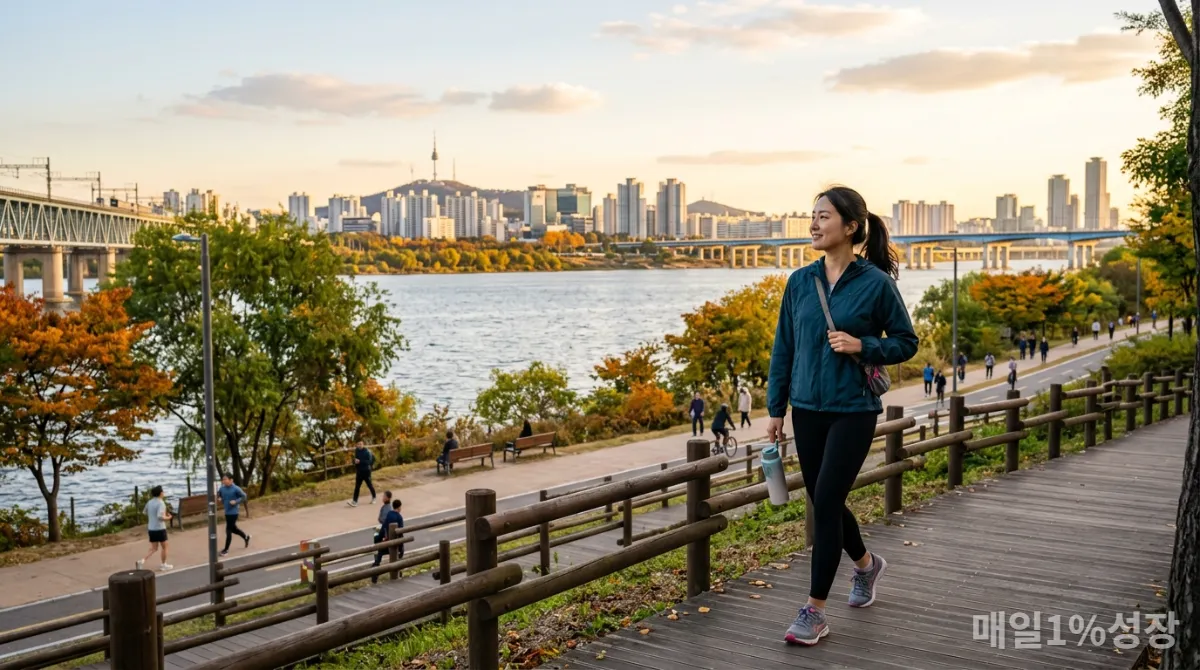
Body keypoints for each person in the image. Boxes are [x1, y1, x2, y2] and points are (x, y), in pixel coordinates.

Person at [765, 186, 918, 646]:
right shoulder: (799, 282)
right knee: (825, 500)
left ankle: (814, 612)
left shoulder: (875, 283)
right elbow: (783, 350)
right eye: (812, 216)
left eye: (824, 217)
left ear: (850, 227)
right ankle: (868, 567)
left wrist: (863, 345)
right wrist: (776, 409)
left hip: (853, 409)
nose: (814, 224)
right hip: (807, 410)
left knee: (827, 500)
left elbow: (906, 342)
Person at [137, 485, 173, 571]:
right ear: (160, 493)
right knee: (165, 547)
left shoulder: (150, 502)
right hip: (160, 528)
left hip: (151, 528)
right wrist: (169, 518)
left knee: (154, 548)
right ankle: (163, 565)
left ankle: (142, 560)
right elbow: (160, 517)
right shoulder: (161, 503)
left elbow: (144, 512)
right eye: (163, 492)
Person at [371, 498, 405, 584]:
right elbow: (400, 533)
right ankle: (398, 574)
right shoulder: (399, 517)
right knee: (397, 558)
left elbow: (383, 528)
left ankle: (375, 573)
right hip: (395, 545)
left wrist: (378, 539)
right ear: (399, 507)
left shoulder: (389, 514)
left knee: (380, 554)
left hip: (386, 541)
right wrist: (401, 546)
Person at [217, 474, 250, 556]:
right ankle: (246, 537)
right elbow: (219, 493)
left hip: (234, 512)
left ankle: (226, 550)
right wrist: (219, 497)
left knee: (228, 530)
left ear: (231, 480)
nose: (224, 481)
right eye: (223, 479)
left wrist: (236, 501)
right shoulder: (222, 488)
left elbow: (244, 496)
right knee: (234, 529)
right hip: (227, 512)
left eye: (225, 479)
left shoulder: (236, 488)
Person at [347, 442, 376, 508]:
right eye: (358, 444)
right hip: (359, 472)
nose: (359, 445)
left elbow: (368, 462)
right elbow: (355, 460)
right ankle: (355, 501)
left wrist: (360, 461)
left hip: (366, 471)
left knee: (369, 485)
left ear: (363, 444)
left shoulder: (367, 452)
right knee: (357, 487)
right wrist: (354, 461)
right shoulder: (357, 451)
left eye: (360, 444)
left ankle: (374, 497)